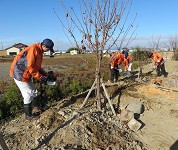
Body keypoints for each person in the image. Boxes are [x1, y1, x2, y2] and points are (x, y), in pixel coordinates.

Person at [9, 38, 55, 121]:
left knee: (34, 91)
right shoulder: (34, 49)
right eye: (48, 49)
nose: (48, 50)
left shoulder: (40, 51)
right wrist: (41, 77)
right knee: (28, 94)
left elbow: (37, 66)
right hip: (19, 74)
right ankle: (28, 115)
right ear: (44, 46)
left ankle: (38, 106)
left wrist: (45, 74)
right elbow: (30, 67)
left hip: (26, 73)